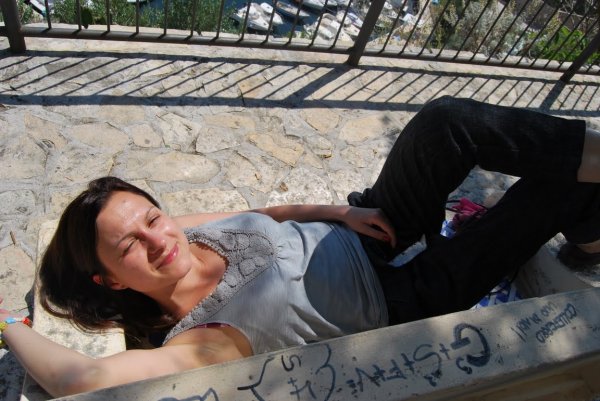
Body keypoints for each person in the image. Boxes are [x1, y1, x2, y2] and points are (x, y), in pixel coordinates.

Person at [1, 96, 599, 398]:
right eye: (131, 243)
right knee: (554, 189)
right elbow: (81, 378)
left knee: (446, 122)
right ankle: (590, 239)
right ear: (111, 279)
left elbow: (268, 213)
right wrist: (8, 325)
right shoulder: (202, 341)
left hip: (371, 226)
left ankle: (591, 225)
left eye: (152, 217)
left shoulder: (179, 234)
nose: (158, 238)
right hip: (405, 297)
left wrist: (342, 211)